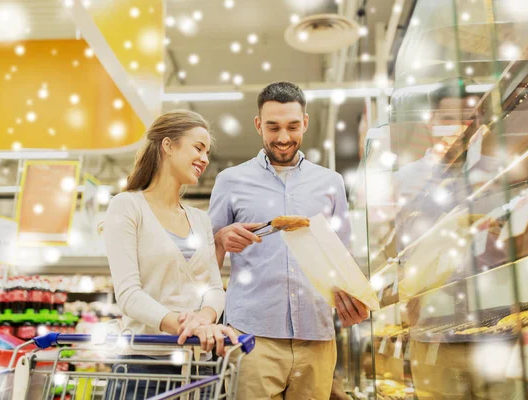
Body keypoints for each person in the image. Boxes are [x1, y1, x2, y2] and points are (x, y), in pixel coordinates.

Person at [209, 82, 369, 400]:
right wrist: (220, 239)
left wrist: (355, 297)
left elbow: (343, 256)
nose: (283, 138)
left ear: (305, 123)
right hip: (251, 335)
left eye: (292, 126)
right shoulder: (230, 181)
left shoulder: (331, 182)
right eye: (273, 127)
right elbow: (204, 261)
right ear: (258, 125)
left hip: (317, 335)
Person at [103, 110, 238, 399]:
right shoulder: (127, 207)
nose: (205, 159)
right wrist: (185, 326)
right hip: (143, 369)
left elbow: (215, 288)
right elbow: (128, 294)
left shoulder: (200, 219)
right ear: (168, 145)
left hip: (198, 370)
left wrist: (203, 318)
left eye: (207, 152)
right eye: (198, 148)